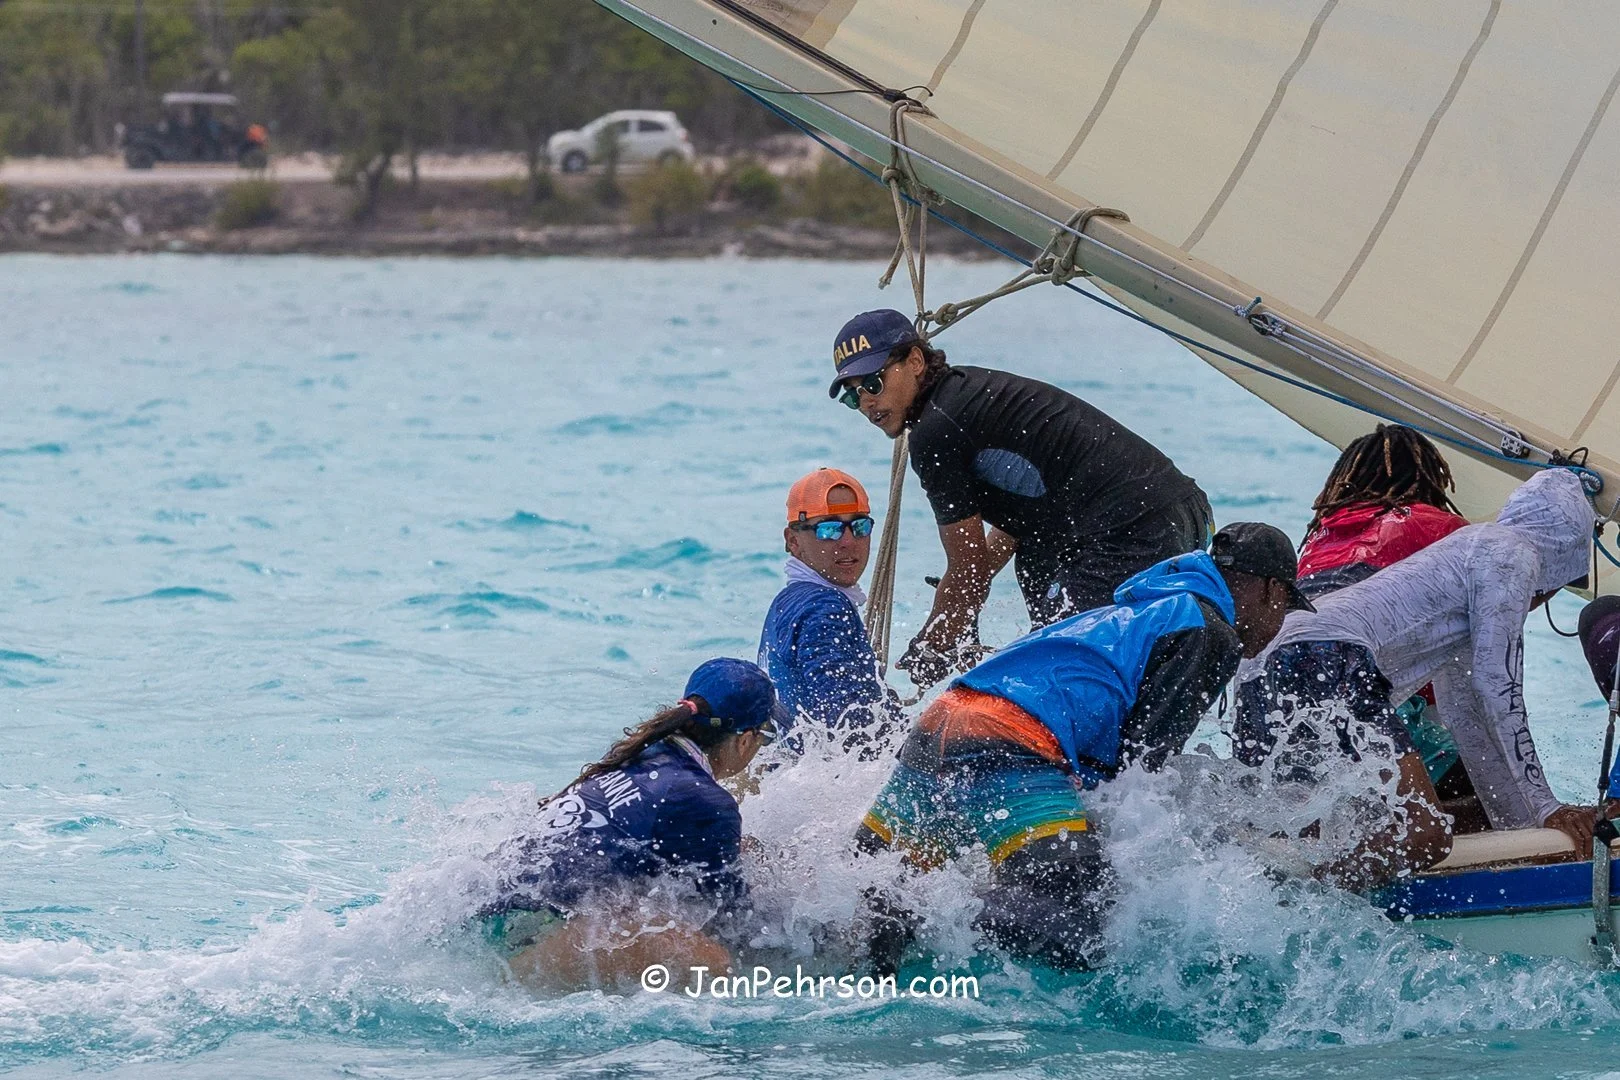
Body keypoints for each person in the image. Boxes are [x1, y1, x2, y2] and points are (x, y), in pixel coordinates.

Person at [855, 523, 1304, 969]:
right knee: (1081, 918)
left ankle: (895, 931)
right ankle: (961, 914)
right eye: (1287, 607)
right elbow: (1142, 770)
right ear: (1271, 590)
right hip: (1007, 738)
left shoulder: (1140, 610)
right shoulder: (1209, 630)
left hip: (939, 724)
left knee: (876, 906)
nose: (1280, 626)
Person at [828, 308, 1212, 689]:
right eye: (852, 396)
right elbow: (1014, 528)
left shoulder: (935, 431)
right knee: (1037, 559)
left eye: (873, 384)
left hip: (1134, 527)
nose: (866, 402)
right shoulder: (964, 397)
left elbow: (969, 571)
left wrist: (934, 646)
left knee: (1051, 669)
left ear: (915, 361)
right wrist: (955, 606)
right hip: (1184, 512)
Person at [1235, 468, 1598, 856]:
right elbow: (1499, 686)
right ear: (1560, 557)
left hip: (1262, 662)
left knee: (1290, 827)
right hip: (1327, 653)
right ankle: (1333, 879)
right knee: (1424, 832)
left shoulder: (1467, 561)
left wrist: (1523, 830)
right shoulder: (1513, 552)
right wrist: (1548, 808)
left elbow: (1464, 715)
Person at [483, 658, 784, 992]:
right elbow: (734, 924)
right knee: (713, 962)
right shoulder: (706, 801)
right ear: (745, 739)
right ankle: (510, 981)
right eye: (765, 738)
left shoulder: (644, 753)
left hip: (495, 912)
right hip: (533, 932)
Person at [1293, 425, 1472, 800]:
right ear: (1430, 478)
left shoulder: (1318, 538)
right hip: (1371, 695)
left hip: (1290, 697)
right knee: (1478, 777)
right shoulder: (1440, 528)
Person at [757, 468, 902, 747]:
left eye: (859, 527)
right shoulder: (825, 607)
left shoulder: (785, 602)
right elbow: (846, 721)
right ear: (793, 541)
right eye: (829, 529)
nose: (848, 542)